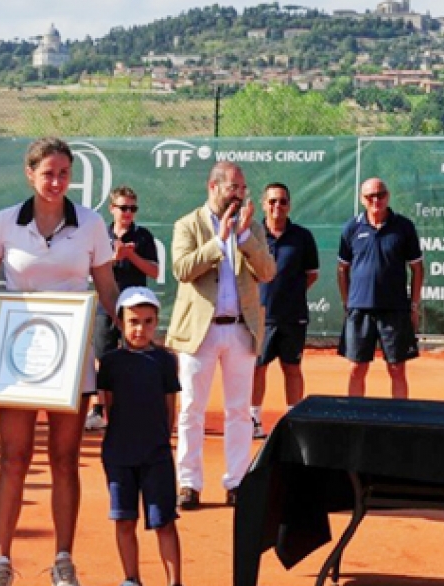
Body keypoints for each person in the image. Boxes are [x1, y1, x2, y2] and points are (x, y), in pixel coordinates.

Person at [0, 136, 119, 586]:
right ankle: (0, 563)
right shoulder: (4, 223)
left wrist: (134, 332)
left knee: (64, 461)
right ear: (30, 174)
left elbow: (109, 289)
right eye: (47, 173)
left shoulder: (91, 224)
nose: (56, 182)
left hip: (71, 362)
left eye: (63, 173)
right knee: (13, 459)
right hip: (16, 360)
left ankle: (63, 559)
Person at [165, 161, 275, 511]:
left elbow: (268, 272)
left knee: (239, 412)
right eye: (234, 187)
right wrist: (219, 241)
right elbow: (182, 269)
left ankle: (238, 482)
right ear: (213, 187)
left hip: (241, 330)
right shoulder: (188, 224)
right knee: (192, 410)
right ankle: (189, 483)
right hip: (201, 332)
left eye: (243, 188)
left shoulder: (251, 227)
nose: (240, 194)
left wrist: (243, 238)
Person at [97, 286, 193, 586]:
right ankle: (132, 583)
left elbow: (169, 410)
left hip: (156, 456)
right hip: (119, 455)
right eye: (134, 321)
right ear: (121, 323)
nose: (141, 328)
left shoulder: (166, 361)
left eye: (149, 321)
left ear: (156, 323)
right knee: (124, 520)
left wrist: (159, 443)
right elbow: (108, 408)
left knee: (164, 522)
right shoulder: (109, 363)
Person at [337, 178, 423, 399]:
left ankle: (398, 420)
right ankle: (355, 418)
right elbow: (342, 269)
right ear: (361, 199)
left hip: (395, 310)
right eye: (370, 196)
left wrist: (414, 305)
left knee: (396, 369)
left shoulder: (404, 226)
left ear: (388, 196)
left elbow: (418, 268)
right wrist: (348, 303)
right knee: (357, 368)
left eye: (380, 194)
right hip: (360, 310)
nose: (376, 200)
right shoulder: (352, 227)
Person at [85, 186, 159, 431]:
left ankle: (133, 410)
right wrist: (115, 258)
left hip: (134, 310)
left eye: (132, 208)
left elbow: (155, 271)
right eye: (123, 208)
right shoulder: (99, 234)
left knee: (136, 356)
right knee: (103, 359)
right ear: (112, 209)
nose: (128, 213)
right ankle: (98, 410)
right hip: (104, 307)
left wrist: (131, 256)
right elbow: (88, 268)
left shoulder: (143, 236)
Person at [250, 183, 319, 438]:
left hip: (293, 316)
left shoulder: (302, 237)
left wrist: (289, 294)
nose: (277, 206)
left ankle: (293, 420)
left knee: (292, 368)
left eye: (282, 201)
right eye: (272, 201)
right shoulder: (251, 234)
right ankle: (253, 420)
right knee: (258, 368)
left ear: (289, 205)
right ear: (263, 204)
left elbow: (311, 275)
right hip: (260, 316)